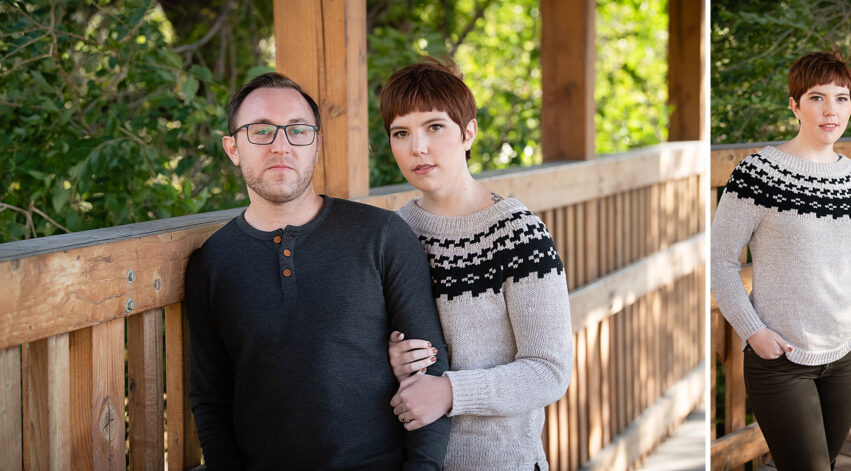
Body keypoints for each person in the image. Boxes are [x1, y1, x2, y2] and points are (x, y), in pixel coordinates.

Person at [184, 72, 451, 470]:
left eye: (298, 130)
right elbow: (211, 397)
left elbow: (428, 372)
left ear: (317, 144)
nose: (281, 145)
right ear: (232, 148)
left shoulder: (381, 236)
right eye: (260, 131)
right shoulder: (212, 263)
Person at [378, 59, 573, 471]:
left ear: (468, 133)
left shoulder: (518, 233)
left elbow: (549, 370)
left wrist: (450, 391)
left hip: (502, 461)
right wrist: (390, 360)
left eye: (434, 127)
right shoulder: (394, 234)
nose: (418, 147)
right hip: (411, 459)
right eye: (401, 133)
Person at [709, 51, 851, 470]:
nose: (831, 110)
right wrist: (753, 332)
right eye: (817, 97)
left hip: (847, 351)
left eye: (841, 98)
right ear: (794, 104)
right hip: (781, 360)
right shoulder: (757, 174)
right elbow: (719, 260)